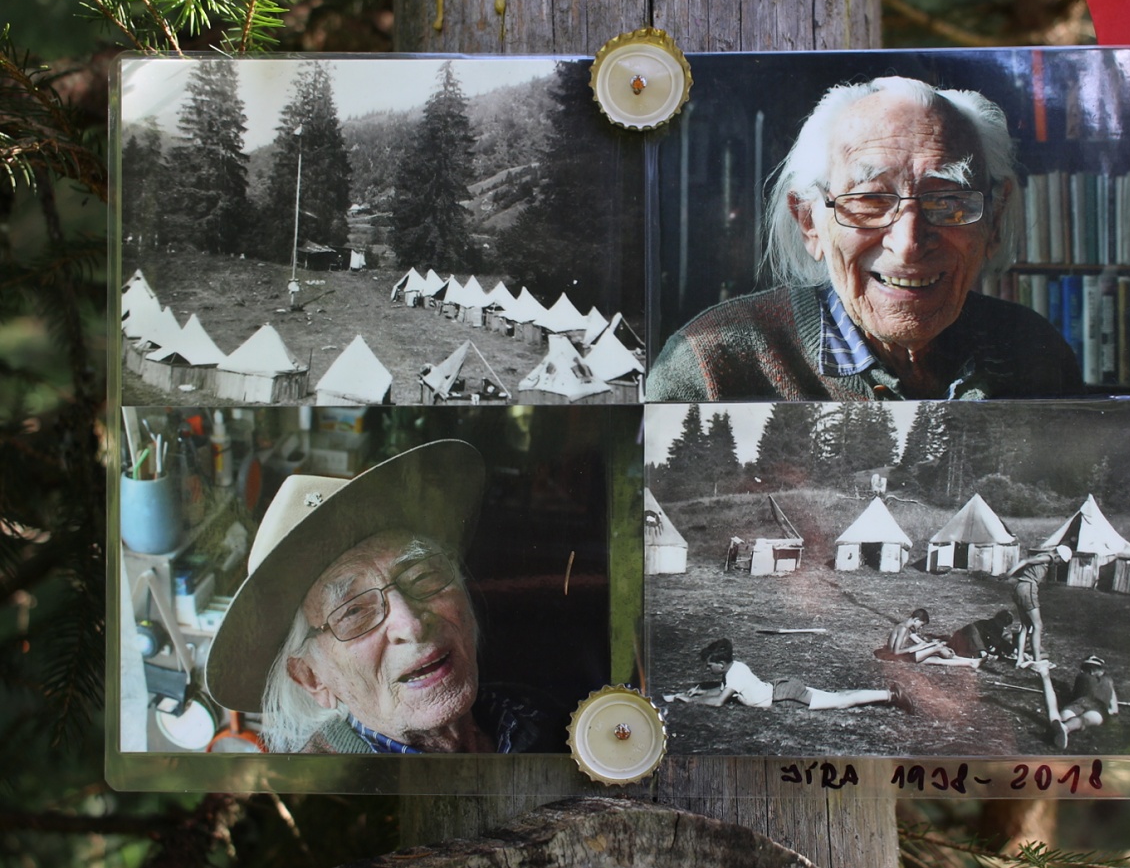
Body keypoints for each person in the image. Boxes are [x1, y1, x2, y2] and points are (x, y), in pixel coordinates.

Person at [648, 75, 1083, 402]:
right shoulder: (711, 365)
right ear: (809, 222)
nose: (909, 242)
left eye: (948, 200)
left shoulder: (1033, 352)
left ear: (994, 216)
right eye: (871, 200)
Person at [205, 440, 562, 754]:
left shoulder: (527, 709)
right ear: (312, 677)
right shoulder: (338, 803)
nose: (410, 623)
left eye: (422, 577)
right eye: (355, 611)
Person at [668, 638, 915, 713]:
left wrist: (691, 700)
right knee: (838, 696)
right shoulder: (735, 669)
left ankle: (891, 695)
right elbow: (722, 692)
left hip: (784, 694)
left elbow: (720, 700)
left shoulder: (734, 675)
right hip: (782, 688)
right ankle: (888, 693)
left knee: (840, 700)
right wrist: (702, 691)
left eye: (710, 666)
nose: (708, 670)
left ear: (721, 664)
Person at [1033, 655, 1119, 750]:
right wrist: (1107, 713)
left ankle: (1044, 675)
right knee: (1084, 720)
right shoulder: (1109, 681)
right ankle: (1066, 727)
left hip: (1080, 702)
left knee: (1061, 717)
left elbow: (1074, 696)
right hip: (1098, 707)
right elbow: (1114, 709)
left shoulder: (1082, 677)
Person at [1008, 545, 1072, 669]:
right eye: (1060, 562)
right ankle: (1037, 661)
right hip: (1028, 588)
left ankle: (1020, 659)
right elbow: (1024, 561)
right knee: (1038, 625)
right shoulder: (1048, 558)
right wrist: (1008, 573)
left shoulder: (1041, 556)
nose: (1058, 565)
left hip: (1019, 587)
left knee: (1025, 626)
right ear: (1057, 556)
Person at [883, 608, 983, 668]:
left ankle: (971, 663)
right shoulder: (903, 629)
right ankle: (965, 659)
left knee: (936, 659)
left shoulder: (907, 627)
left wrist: (931, 644)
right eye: (921, 625)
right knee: (937, 648)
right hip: (897, 657)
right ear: (916, 620)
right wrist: (916, 648)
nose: (920, 627)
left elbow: (918, 641)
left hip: (901, 657)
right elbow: (896, 652)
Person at [947, 608, 1017, 660]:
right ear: (997, 619)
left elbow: (998, 641)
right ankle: (982, 652)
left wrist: (1012, 650)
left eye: (1006, 625)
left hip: (972, 647)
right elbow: (994, 639)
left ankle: (981, 652)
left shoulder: (998, 629)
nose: (1004, 627)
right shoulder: (986, 624)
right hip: (962, 640)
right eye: (1003, 624)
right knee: (971, 628)